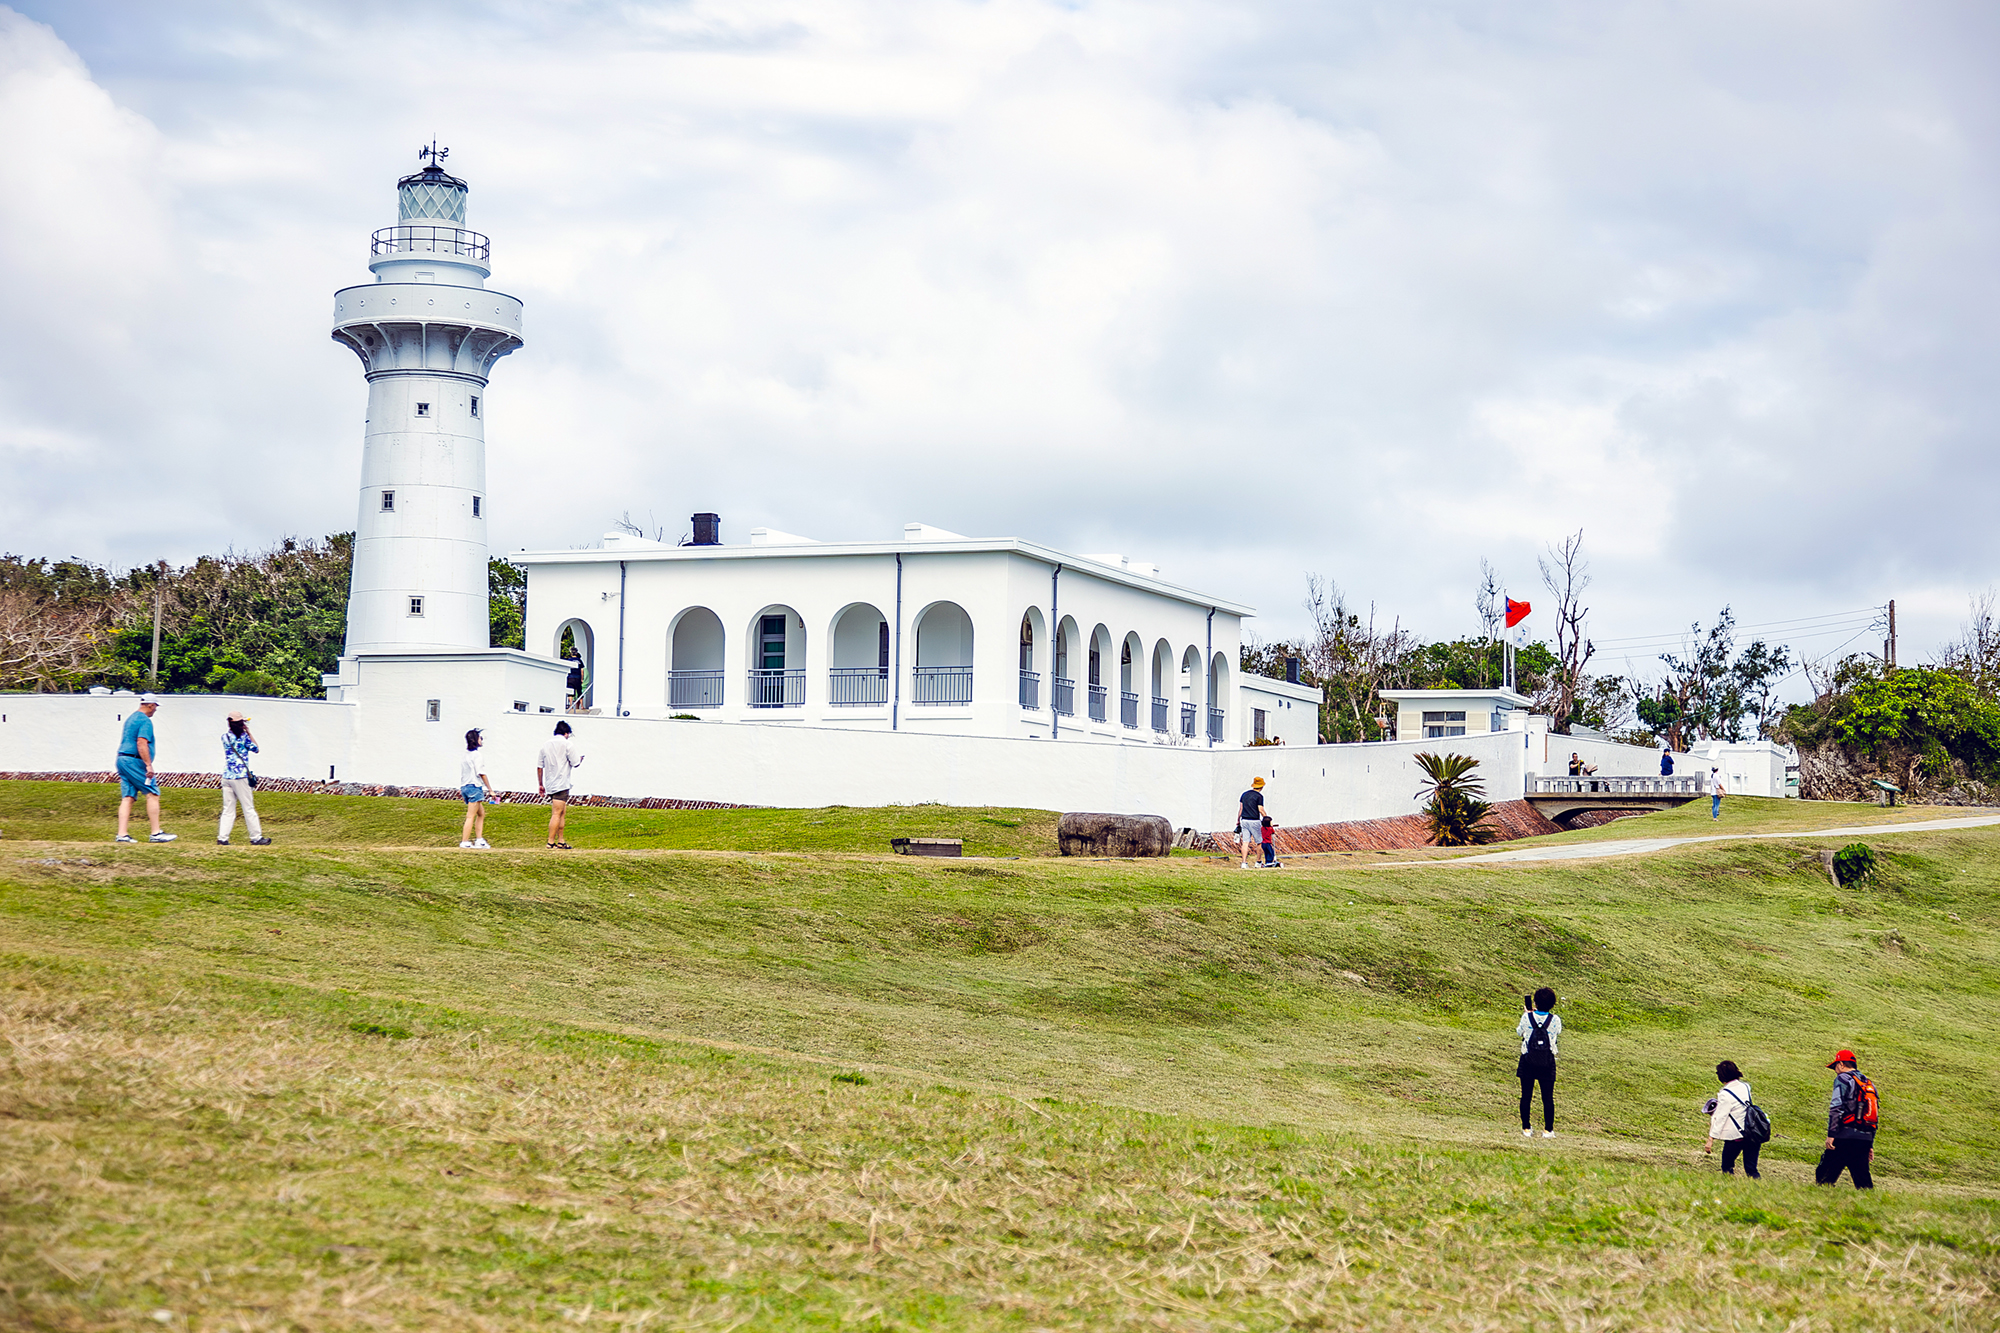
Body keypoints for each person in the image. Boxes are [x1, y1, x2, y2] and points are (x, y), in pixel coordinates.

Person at [114, 693, 175, 843]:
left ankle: (122, 834)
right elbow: (141, 742)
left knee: (128, 797)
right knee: (152, 793)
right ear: (151, 705)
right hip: (134, 761)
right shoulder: (145, 721)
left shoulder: (131, 718)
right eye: (155, 707)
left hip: (122, 759)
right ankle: (156, 833)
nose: (155, 710)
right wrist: (148, 765)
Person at [1815, 1050, 1876, 1189]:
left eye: (1835, 1067)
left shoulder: (1842, 1079)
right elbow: (1873, 1115)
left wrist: (1831, 1134)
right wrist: (1870, 1144)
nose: (1835, 1071)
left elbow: (1836, 1107)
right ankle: (1868, 1201)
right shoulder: (1868, 1083)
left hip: (1844, 1136)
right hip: (1864, 1138)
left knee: (1824, 1176)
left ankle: (1822, 1200)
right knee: (1863, 1183)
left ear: (1841, 1064)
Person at [217, 712, 271, 846]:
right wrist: (249, 733)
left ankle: (222, 837)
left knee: (228, 809)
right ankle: (256, 837)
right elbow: (256, 749)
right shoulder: (244, 738)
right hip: (240, 776)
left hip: (227, 775)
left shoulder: (225, 737)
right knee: (248, 808)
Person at [1516, 986, 1561, 1138]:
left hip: (1528, 1059)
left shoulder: (1527, 1018)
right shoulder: (1555, 1020)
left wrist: (1527, 1014)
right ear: (1552, 1004)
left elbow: (1519, 1032)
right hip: (1547, 1061)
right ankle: (1548, 1130)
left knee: (1526, 1095)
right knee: (1547, 1097)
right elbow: (1557, 1032)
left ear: (1535, 1002)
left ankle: (1526, 1128)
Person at [1704, 1060, 1760, 1177]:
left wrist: (1711, 1139)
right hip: (1753, 1134)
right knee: (1751, 1170)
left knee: (1727, 1166)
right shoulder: (1746, 1087)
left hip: (1736, 1137)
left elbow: (1721, 1118)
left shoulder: (1725, 1095)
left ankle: (1729, 1185)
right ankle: (1758, 1187)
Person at [536, 720, 585, 849]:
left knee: (562, 812)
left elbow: (539, 766)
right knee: (556, 813)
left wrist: (540, 784)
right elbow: (575, 763)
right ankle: (550, 842)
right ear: (566, 733)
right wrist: (580, 759)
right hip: (562, 783)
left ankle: (561, 840)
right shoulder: (567, 744)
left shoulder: (545, 745)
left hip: (550, 783)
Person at [459, 729, 493, 849]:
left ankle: (479, 840)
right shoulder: (477, 755)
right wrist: (490, 789)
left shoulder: (465, 755)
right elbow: (481, 772)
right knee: (470, 816)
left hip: (465, 787)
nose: (481, 740)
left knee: (481, 813)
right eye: (480, 738)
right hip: (474, 787)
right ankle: (465, 841)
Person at [1237, 777, 1267, 869]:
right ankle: (1258, 862)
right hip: (1254, 820)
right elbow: (1260, 809)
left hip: (1244, 820)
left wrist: (1238, 820)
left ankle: (1244, 863)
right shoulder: (1259, 796)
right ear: (1261, 786)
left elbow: (1241, 809)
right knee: (1259, 842)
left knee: (1245, 842)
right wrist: (1266, 818)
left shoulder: (1244, 794)